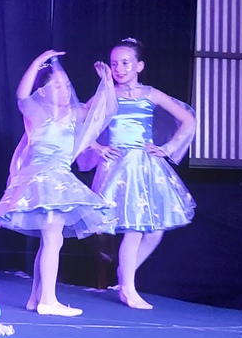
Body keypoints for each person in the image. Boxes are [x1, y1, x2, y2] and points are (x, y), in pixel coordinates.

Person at [0, 50, 116, 317]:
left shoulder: (74, 113)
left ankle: (37, 298)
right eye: (56, 85)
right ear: (44, 91)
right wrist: (39, 62)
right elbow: (22, 95)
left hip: (59, 179)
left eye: (66, 85)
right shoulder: (36, 112)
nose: (64, 90)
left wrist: (107, 81)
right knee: (52, 238)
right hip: (43, 181)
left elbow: (104, 110)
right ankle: (48, 300)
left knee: (52, 240)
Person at [84, 38, 196, 310]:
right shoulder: (107, 94)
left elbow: (188, 119)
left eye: (125, 63)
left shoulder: (151, 94)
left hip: (146, 165)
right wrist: (97, 147)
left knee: (155, 231)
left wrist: (168, 148)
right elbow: (79, 124)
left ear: (139, 65)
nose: (119, 68)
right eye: (114, 64)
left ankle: (125, 273)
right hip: (119, 167)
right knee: (134, 228)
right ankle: (128, 289)